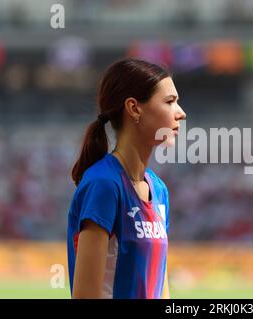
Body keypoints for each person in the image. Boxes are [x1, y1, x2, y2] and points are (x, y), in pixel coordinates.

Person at [67, 58, 186, 298]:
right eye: (169, 102)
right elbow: (86, 294)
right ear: (134, 108)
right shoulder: (104, 185)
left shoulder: (159, 189)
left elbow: (160, 287)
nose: (181, 113)